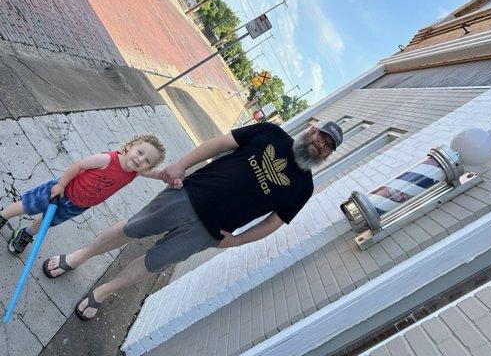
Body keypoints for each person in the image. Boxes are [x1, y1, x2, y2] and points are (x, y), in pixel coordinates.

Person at [42, 121, 343, 321]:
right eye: (322, 136)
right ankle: (76, 257)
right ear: (312, 129)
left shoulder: (304, 187)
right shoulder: (272, 133)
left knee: (153, 263)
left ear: (328, 155)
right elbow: (220, 143)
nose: (321, 144)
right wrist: (180, 166)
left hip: (208, 232)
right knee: (130, 228)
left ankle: (102, 292)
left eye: (328, 145)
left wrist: (234, 241)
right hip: (185, 195)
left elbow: (273, 224)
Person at [0, 134, 166, 257]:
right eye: (140, 152)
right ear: (129, 146)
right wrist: (60, 185)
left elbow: (154, 174)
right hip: (62, 190)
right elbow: (78, 165)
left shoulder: (134, 173)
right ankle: (4, 215)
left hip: (77, 206)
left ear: (147, 168)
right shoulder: (108, 159)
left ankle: (26, 234)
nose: (140, 159)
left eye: (147, 161)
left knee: (47, 222)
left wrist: (166, 176)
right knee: (28, 205)